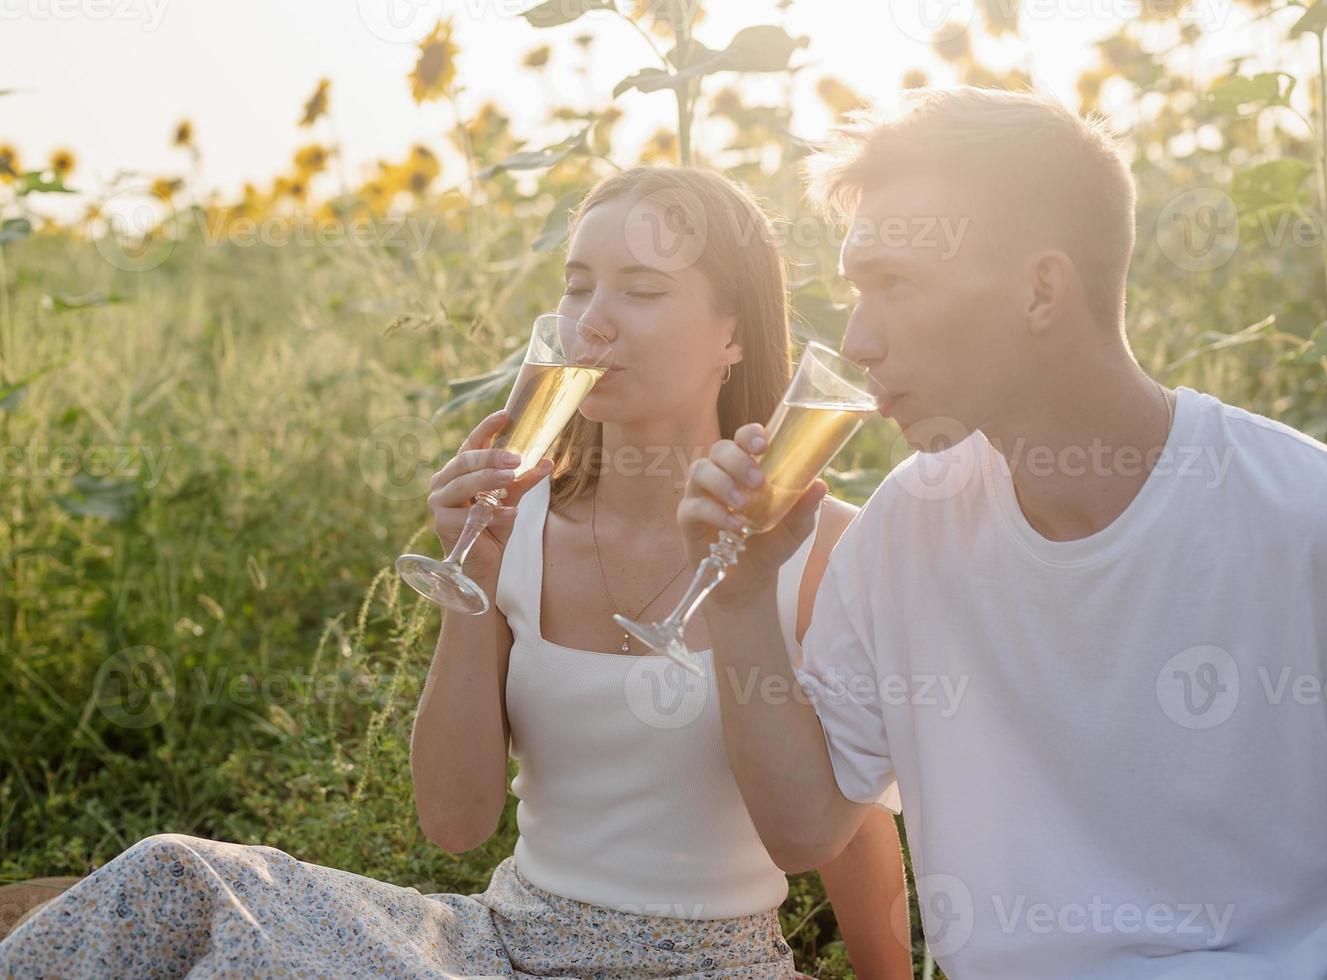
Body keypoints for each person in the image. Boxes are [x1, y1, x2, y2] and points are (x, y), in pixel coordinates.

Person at [0, 167, 912, 978]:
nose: (591, 321)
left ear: (734, 336)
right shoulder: (513, 521)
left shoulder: (821, 544)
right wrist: (470, 570)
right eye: (577, 284)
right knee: (177, 877)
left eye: (640, 290)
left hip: (708, 964)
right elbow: (455, 821)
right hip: (503, 946)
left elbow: (853, 817)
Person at [678, 86, 1327, 979]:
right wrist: (741, 602)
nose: (858, 340)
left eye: (894, 284)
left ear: (1041, 288)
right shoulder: (906, 528)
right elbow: (803, 829)